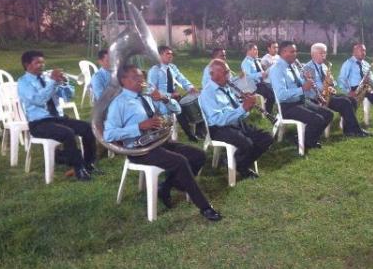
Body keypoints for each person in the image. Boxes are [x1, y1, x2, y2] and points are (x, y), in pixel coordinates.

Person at [104, 64, 222, 221]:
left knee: (198, 155)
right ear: (123, 81)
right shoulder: (118, 103)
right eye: (135, 77)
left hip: (158, 142)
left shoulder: (146, 95)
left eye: (141, 76)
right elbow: (108, 134)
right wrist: (138, 127)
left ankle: (166, 187)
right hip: (139, 150)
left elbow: (177, 110)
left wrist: (165, 98)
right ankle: (205, 207)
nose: (141, 80)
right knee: (180, 161)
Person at [17, 50, 97, 181]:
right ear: (27, 65)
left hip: (56, 118)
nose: (42, 65)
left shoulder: (47, 79)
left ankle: (89, 164)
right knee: (67, 133)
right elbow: (38, 100)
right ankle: (79, 169)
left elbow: (68, 96)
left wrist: (64, 84)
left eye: (43, 62)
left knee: (87, 127)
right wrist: (53, 82)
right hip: (38, 123)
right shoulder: (23, 82)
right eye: (38, 63)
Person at [200, 59, 273, 179]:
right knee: (247, 145)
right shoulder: (208, 93)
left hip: (236, 124)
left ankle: (238, 163)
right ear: (213, 74)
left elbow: (237, 110)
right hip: (219, 129)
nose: (229, 75)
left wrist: (245, 106)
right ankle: (242, 167)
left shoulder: (226, 87)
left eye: (228, 71)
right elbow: (218, 119)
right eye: (225, 72)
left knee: (267, 138)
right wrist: (242, 109)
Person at [269, 41, 333, 150]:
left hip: (301, 101)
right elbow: (281, 95)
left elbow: (299, 83)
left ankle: (307, 139)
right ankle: (303, 141)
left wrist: (306, 79)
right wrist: (303, 88)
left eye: (295, 51)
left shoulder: (292, 66)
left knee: (328, 114)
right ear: (284, 52)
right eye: (292, 51)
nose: (295, 54)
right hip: (287, 106)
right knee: (318, 119)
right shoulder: (277, 69)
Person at [304, 43, 371, 137]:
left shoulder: (324, 66)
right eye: (321, 53)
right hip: (316, 97)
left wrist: (331, 83)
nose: (324, 55)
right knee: (345, 102)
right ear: (313, 54)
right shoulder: (308, 68)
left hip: (326, 95)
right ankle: (354, 130)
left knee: (351, 100)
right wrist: (326, 87)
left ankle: (349, 128)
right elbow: (313, 85)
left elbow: (333, 82)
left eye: (325, 53)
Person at [148, 46, 202, 142]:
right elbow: (151, 90)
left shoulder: (172, 67)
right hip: (162, 101)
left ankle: (198, 130)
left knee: (192, 105)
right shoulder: (154, 70)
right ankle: (189, 134)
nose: (170, 56)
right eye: (167, 53)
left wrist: (190, 87)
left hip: (174, 97)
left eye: (171, 54)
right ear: (159, 56)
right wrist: (169, 95)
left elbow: (181, 79)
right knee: (180, 110)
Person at [240, 42, 275, 113]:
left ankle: (267, 112)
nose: (257, 51)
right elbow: (248, 76)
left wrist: (265, 73)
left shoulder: (256, 61)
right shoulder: (246, 62)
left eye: (257, 49)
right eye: (254, 49)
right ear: (248, 51)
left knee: (272, 91)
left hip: (261, 83)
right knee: (271, 94)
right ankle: (267, 113)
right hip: (254, 87)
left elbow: (261, 72)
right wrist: (260, 74)